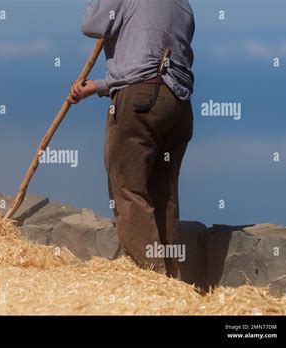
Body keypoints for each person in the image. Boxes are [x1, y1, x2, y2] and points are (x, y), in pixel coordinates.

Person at [67, 0, 195, 277]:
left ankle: (148, 279)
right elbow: (153, 62)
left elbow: (91, 24)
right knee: (164, 194)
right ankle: (170, 282)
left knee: (128, 189)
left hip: (140, 102)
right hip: (178, 105)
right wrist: (100, 87)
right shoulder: (183, 6)